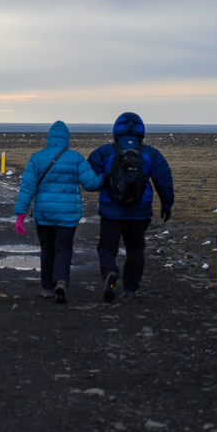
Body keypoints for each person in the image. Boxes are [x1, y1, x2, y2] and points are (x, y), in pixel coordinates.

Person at [87, 112, 174, 302]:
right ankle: (130, 289)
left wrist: (103, 182)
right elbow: (164, 179)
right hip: (140, 211)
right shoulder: (151, 154)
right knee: (136, 249)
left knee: (106, 247)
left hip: (111, 210)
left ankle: (110, 272)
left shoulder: (105, 152)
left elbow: (89, 174)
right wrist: (167, 204)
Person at [14, 120, 104, 304]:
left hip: (44, 214)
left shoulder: (37, 158)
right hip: (67, 215)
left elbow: (27, 188)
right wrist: (105, 177)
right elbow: (91, 184)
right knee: (64, 248)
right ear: (66, 138)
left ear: (49, 138)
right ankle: (61, 281)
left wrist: (20, 214)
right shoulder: (75, 158)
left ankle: (47, 288)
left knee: (47, 249)